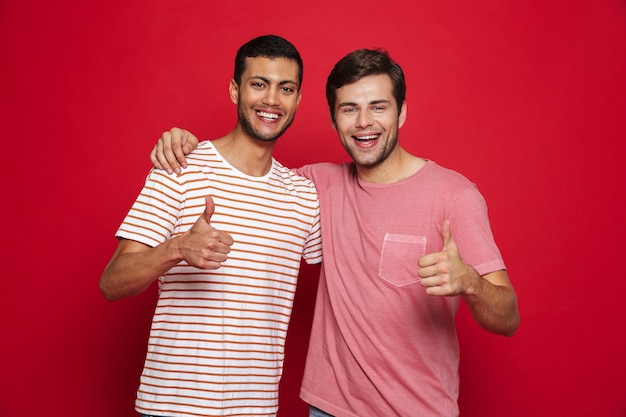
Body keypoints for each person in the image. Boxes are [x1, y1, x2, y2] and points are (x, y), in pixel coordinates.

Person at [151, 49, 520, 417]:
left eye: (378, 107)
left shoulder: (454, 196)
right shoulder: (315, 186)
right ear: (333, 119)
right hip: (328, 408)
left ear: (401, 112)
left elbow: (507, 318)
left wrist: (471, 281)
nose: (363, 122)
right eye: (349, 109)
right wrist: (186, 145)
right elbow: (252, 173)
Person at [100, 35, 322, 417]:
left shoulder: (304, 196)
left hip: (255, 408)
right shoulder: (180, 168)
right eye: (258, 84)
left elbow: (351, 275)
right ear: (235, 90)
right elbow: (111, 283)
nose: (272, 100)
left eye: (285, 88)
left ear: (298, 100)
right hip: (171, 406)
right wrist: (176, 248)